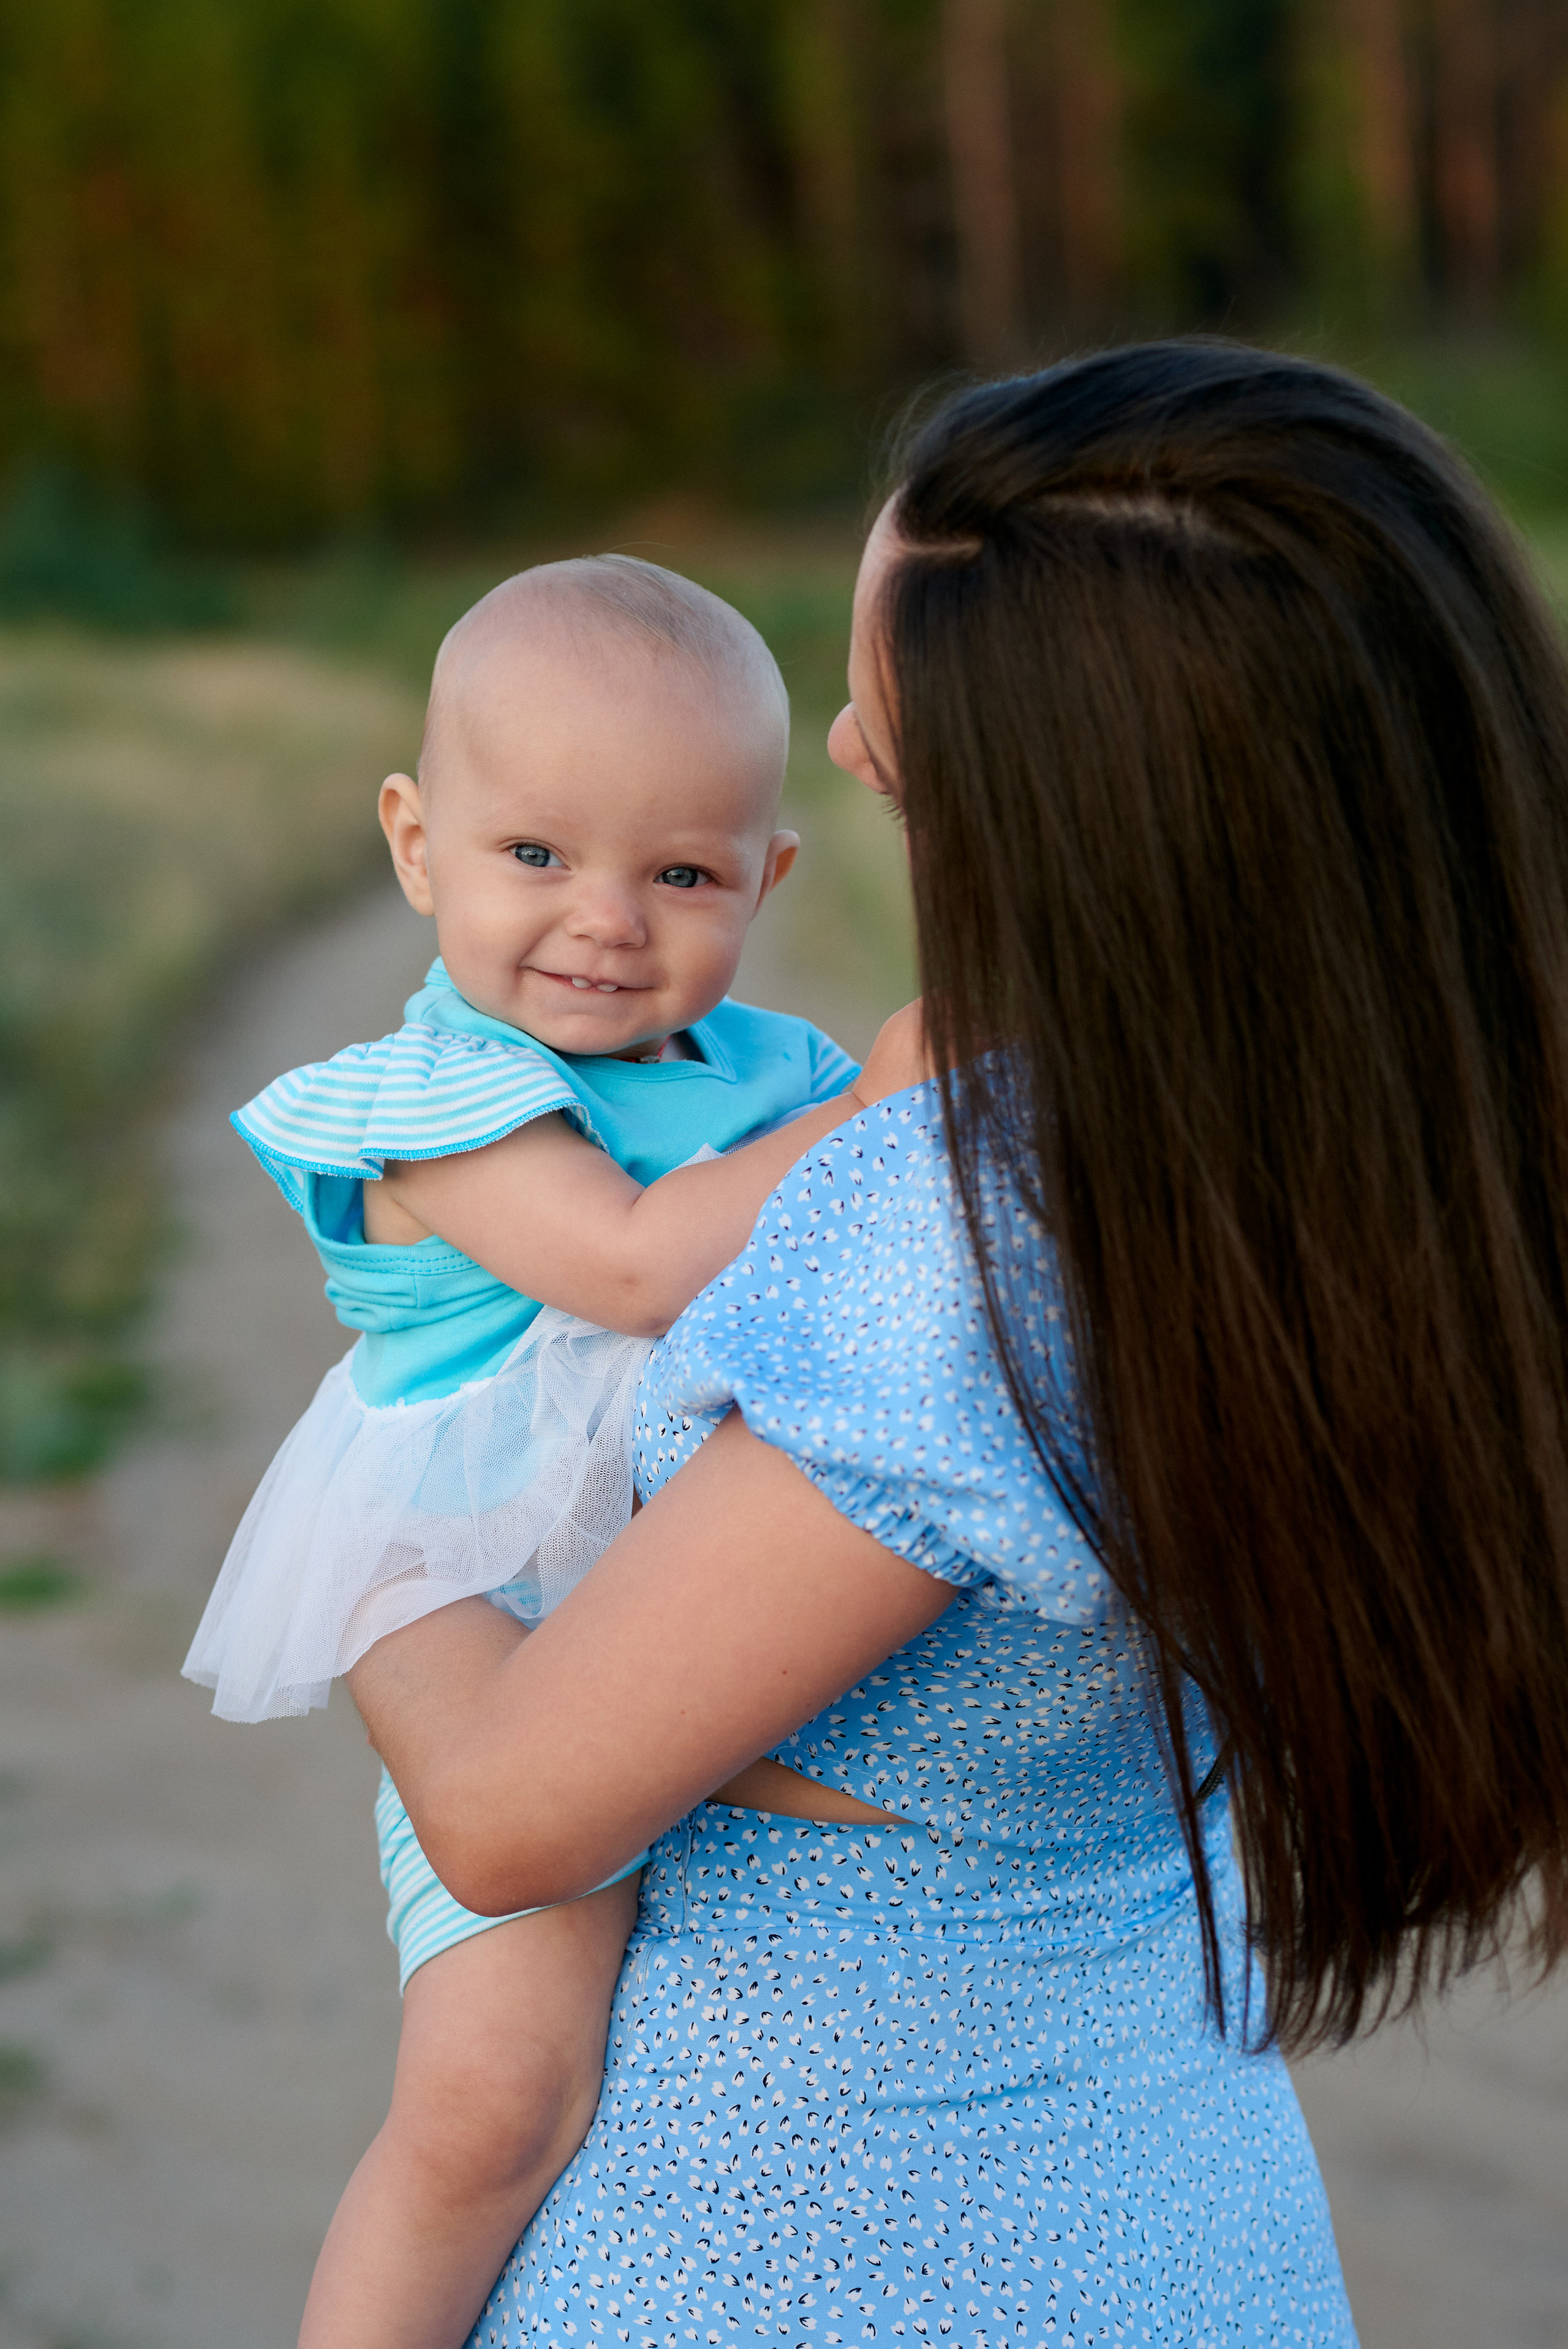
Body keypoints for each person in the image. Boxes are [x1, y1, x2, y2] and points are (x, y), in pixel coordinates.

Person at [351, 342, 1568, 2346]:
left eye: (886, 724)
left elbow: (500, 1807)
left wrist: (367, 1531)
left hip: (799, 2249)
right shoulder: (1391, 1160)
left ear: (1069, 808)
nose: (837, 742)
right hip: (1189, 2227)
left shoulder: (965, 1237)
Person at [182, 552, 902, 2348]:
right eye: (535, 856)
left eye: (681, 872)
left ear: (768, 879)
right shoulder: (438, 1101)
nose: (604, 918)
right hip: (480, 1593)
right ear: (416, 843)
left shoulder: (770, 1068)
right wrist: (900, 1100)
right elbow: (642, 1263)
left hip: (667, 1603)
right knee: (496, 2098)